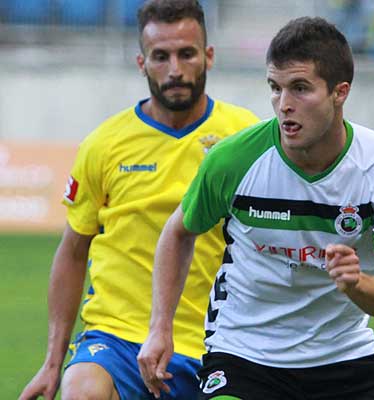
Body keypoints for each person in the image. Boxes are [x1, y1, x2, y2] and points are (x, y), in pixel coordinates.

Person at [138, 16, 374, 400]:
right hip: (243, 354)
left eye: (300, 88)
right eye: (275, 88)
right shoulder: (233, 160)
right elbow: (178, 232)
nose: (284, 105)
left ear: (340, 92)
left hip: (343, 357)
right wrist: (160, 327)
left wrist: (358, 283)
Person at [18, 1, 259, 399]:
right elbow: (73, 251)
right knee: (82, 391)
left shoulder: (244, 138)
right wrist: (51, 363)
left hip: (219, 342)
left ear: (209, 56)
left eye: (187, 54)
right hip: (117, 339)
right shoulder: (104, 145)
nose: (175, 69)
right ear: (141, 62)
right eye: (160, 56)